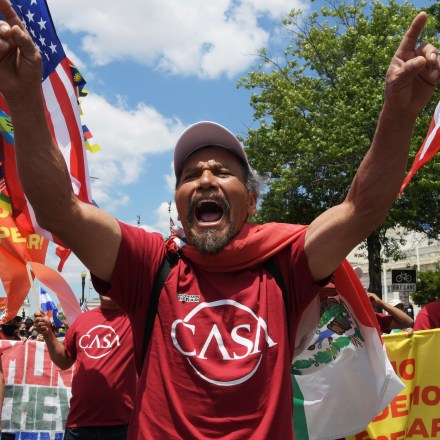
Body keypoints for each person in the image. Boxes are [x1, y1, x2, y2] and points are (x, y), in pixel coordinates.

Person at [0, 2, 438, 437]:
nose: (205, 178)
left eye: (221, 172)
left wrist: (399, 114)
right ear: (178, 202)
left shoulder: (285, 261)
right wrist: (23, 97)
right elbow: (59, 206)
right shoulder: (150, 264)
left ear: (249, 201)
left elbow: (361, 208)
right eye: (190, 175)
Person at [34, 296, 137, 440]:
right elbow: (64, 361)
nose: (107, 285)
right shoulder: (82, 320)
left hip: (122, 425)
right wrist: (48, 333)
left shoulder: (137, 318)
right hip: (79, 425)